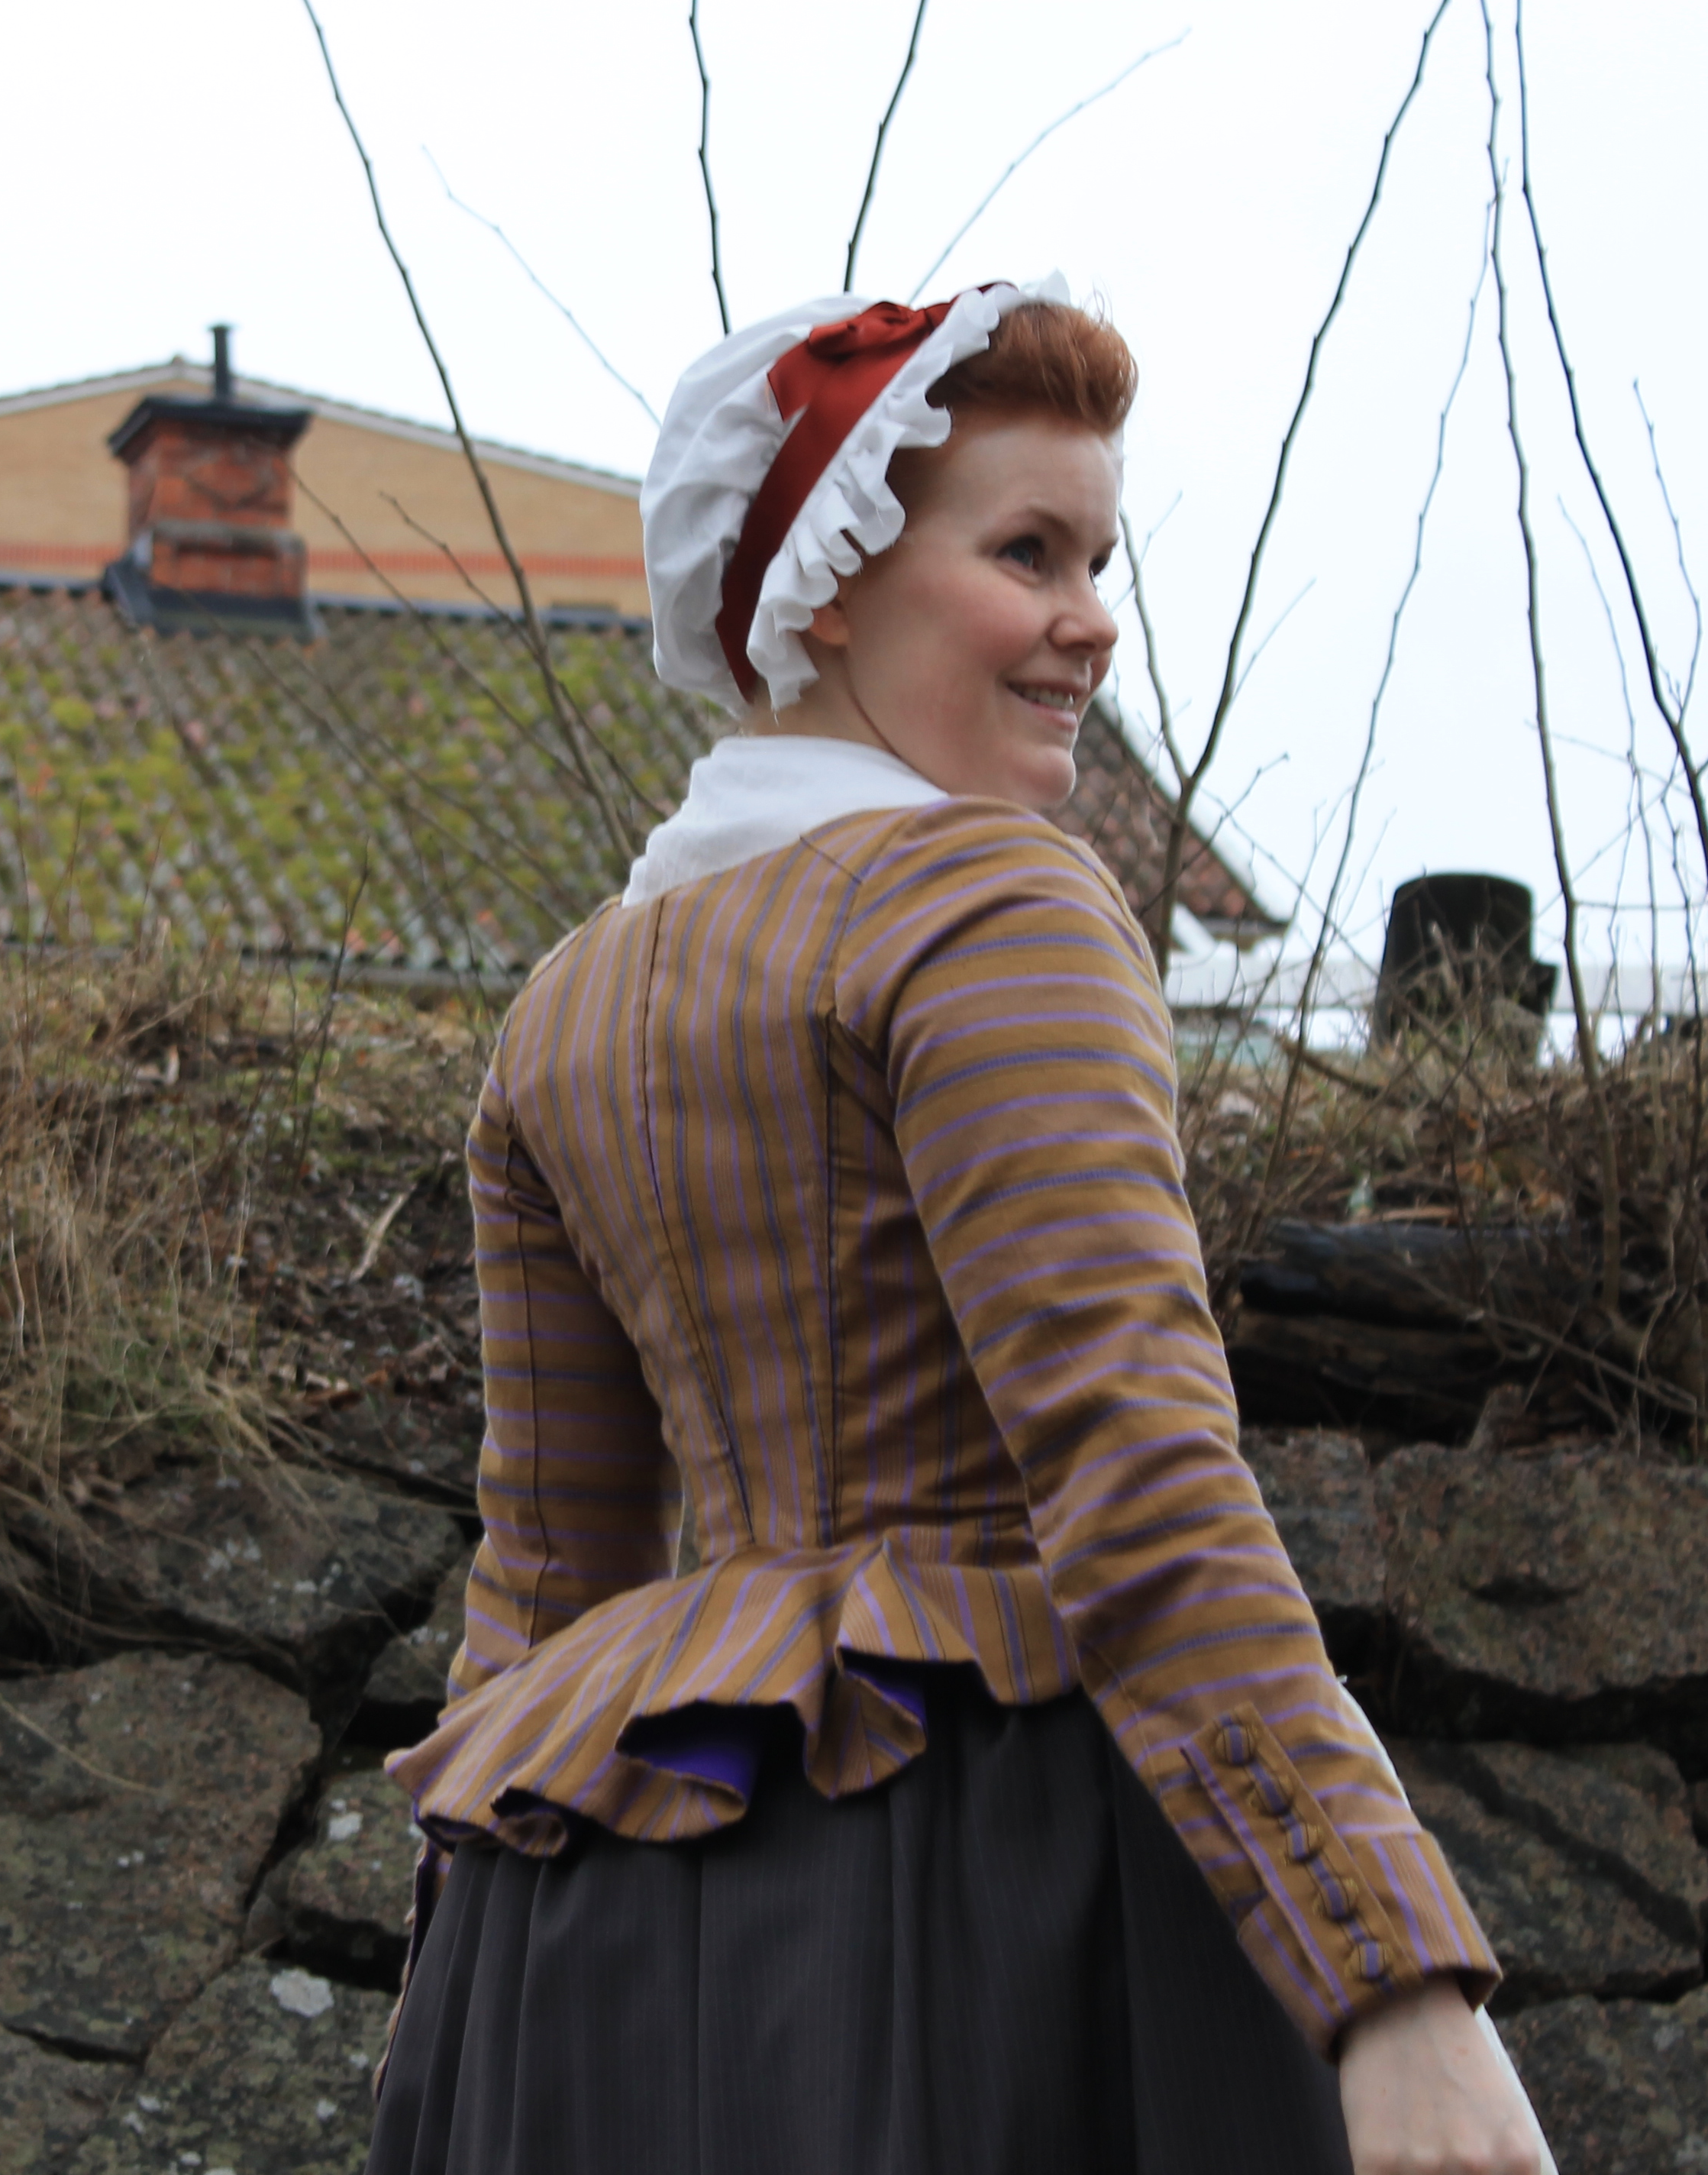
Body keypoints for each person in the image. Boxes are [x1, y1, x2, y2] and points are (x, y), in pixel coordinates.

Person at [365, 280, 1552, 2175]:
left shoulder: (564, 1008)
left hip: (591, 1934)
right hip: (980, 1876)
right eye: (1028, 553)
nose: (1092, 620)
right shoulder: (996, 901)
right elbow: (1138, 1470)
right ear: (829, 582)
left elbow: (537, 1593)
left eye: (1100, 561)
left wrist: (450, 2031)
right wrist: (1393, 1978)